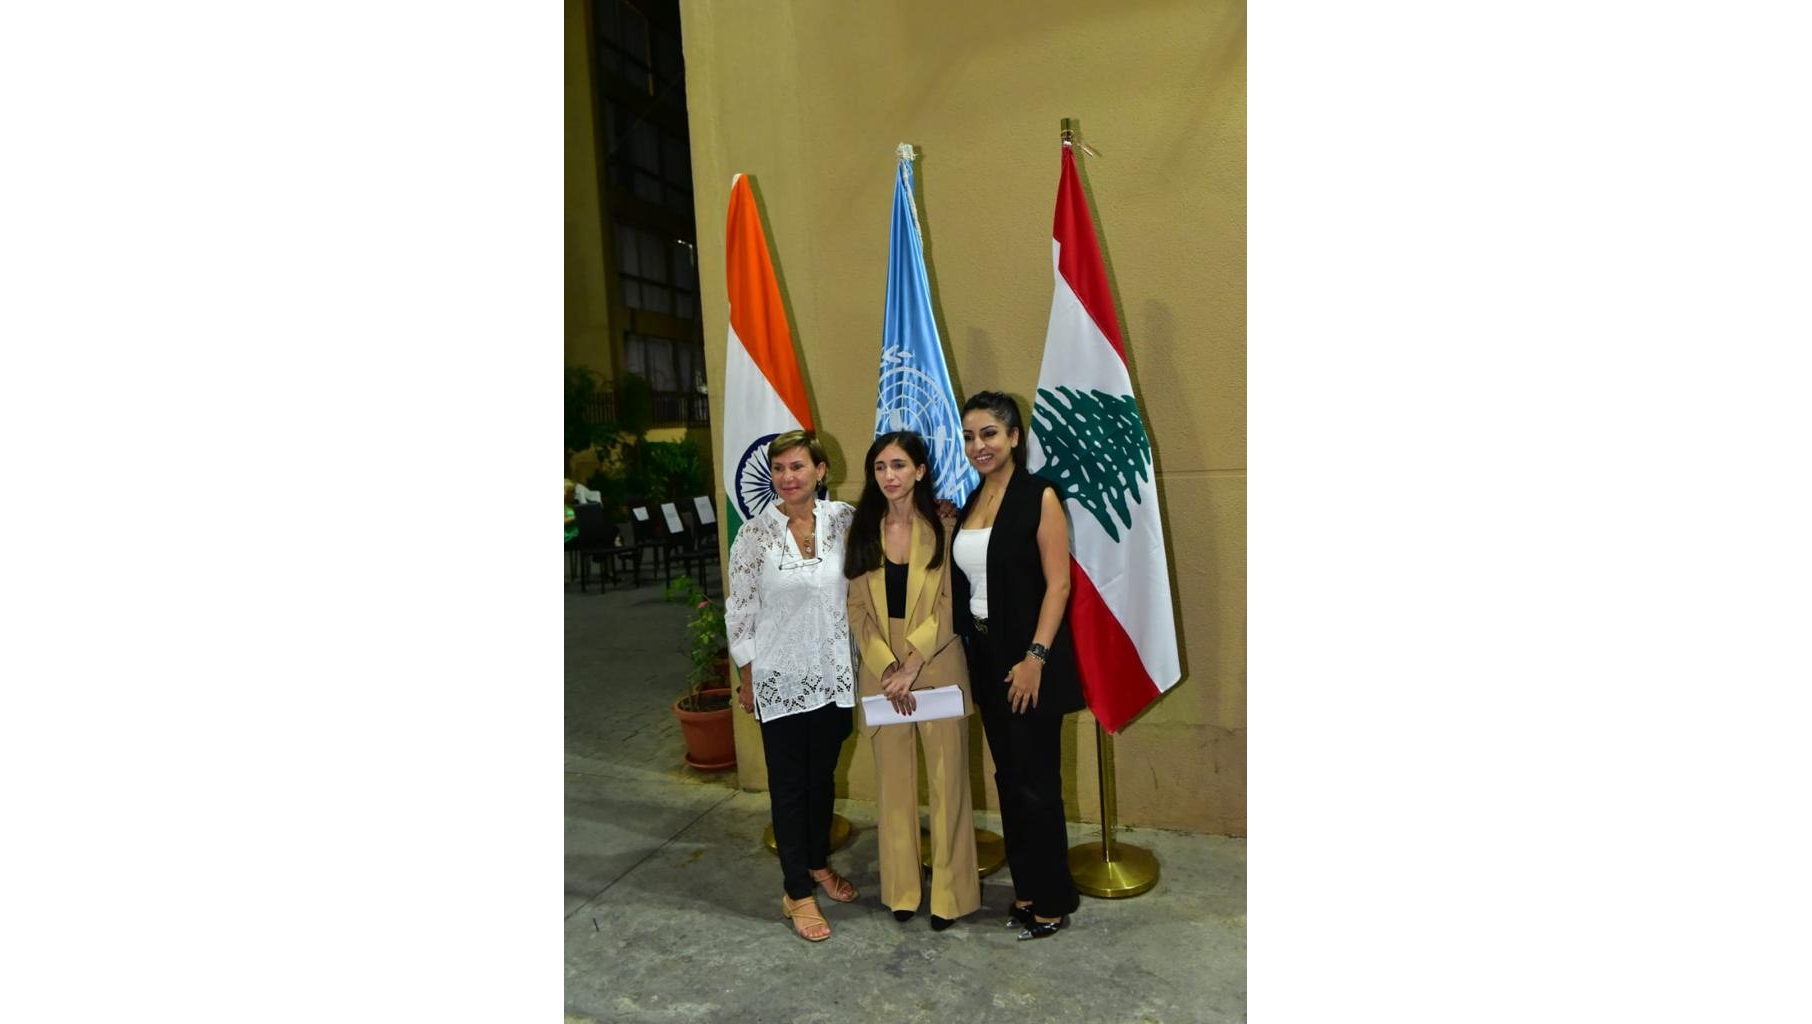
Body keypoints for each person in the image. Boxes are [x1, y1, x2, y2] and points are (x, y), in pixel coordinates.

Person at [950, 391, 1086, 941]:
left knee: (1037, 783)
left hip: (1028, 657)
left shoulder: (1039, 495)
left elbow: (1059, 584)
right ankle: (1028, 889)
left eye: (989, 433)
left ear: (1013, 437)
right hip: (983, 656)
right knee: (1008, 778)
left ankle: (1052, 901)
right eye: (969, 436)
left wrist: (1035, 657)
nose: (977, 445)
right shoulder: (971, 501)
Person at [723, 430, 861, 942]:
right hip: (780, 679)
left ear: (820, 471)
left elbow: (894, 533)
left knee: (822, 778)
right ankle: (796, 890)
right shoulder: (754, 535)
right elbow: (740, 611)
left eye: (797, 466)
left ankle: (818, 863)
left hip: (833, 675)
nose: (787, 477)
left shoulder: (843, 520)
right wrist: (747, 676)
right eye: (779, 468)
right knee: (789, 785)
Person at [843, 431, 979, 932]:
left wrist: (912, 665)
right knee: (894, 787)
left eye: (899, 465)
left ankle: (951, 896)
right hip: (882, 673)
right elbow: (856, 607)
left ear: (920, 471)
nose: (889, 476)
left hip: (936, 663)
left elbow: (951, 604)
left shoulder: (945, 526)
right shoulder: (862, 530)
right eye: (880, 467)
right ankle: (901, 889)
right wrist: (886, 667)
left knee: (949, 786)